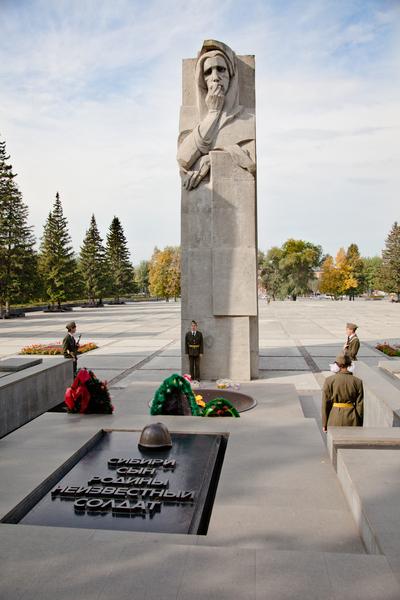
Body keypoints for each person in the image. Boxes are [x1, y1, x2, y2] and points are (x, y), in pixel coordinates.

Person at [177, 40, 255, 191]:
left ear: (231, 75)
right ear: (202, 79)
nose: (215, 77)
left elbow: (250, 163)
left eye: (221, 69)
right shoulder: (190, 115)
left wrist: (210, 159)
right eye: (208, 72)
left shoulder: (247, 118)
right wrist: (213, 113)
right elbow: (184, 159)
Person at [322, 353, 364, 432]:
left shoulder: (329, 380)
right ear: (349, 365)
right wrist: (360, 423)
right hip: (352, 418)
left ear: (338, 365)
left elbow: (325, 403)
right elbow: (360, 405)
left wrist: (324, 423)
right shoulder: (357, 381)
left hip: (334, 417)